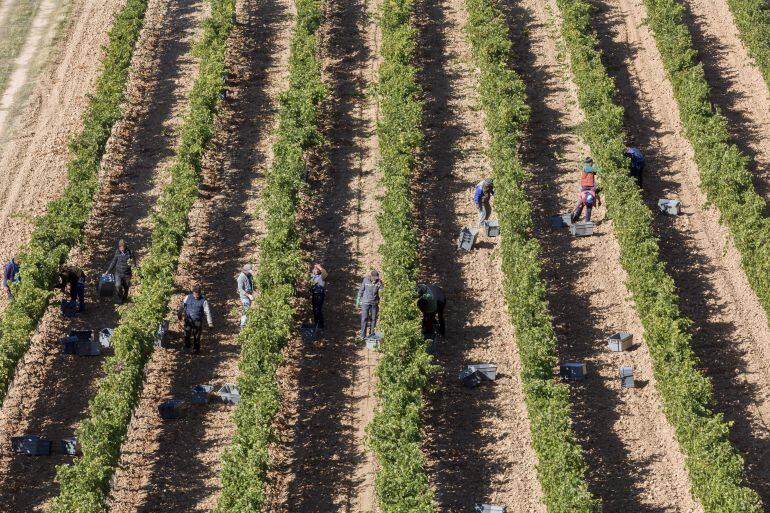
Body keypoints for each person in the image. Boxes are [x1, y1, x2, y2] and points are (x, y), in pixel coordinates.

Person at [177, 285, 213, 354]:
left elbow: (207, 312)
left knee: (197, 335)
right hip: (188, 319)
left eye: (198, 294)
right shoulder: (188, 297)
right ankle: (187, 346)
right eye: (196, 294)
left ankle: (196, 350)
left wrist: (210, 323)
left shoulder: (203, 300)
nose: (197, 296)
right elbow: (182, 305)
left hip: (197, 320)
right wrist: (179, 314)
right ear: (193, 293)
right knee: (187, 333)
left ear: (200, 293)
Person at [357, 270, 383, 339]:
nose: (376, 279)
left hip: (374, 303)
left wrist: (381, 287)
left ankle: (371, 335)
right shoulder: (366, 280)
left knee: (373, 319)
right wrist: (358, 299)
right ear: (371, 276)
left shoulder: (379, 282)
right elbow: (361, 290)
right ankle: (363, 336)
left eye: (377, 278)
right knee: (364, 319)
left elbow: (382, 292)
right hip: (365, 303)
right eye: (375, 278)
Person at [310, 263, 327, 331]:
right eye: (315, 269)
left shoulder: (321, 276)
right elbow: (311, 285)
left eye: (317, 269)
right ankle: (316, 324)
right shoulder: (312, 276)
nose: (315, 270)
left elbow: (325, 273)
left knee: (318, 310)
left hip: (320, 295)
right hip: (314, 294)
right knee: (314, 310)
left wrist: (319, 267)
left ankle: (321, 325)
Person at [236, 263, 254, 329]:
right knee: (247, 310)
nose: (250, 273)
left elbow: (251, 284)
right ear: (245, 270)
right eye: (249, 271)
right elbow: (240, 289)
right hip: (244, 297)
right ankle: (243, 326)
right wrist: (248, 295)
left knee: (246, 310)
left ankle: (245, 323)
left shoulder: (249, 275)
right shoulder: (241, 278)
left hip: (249, 295)